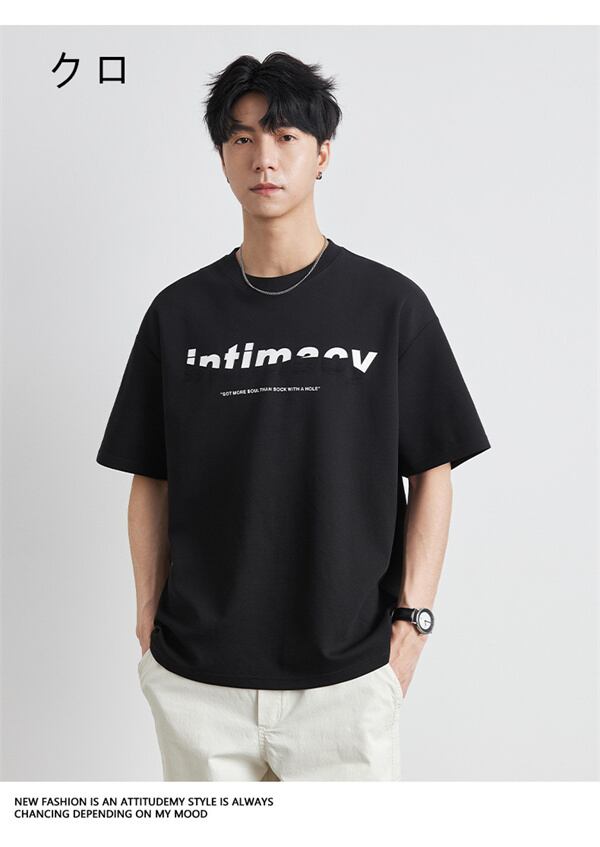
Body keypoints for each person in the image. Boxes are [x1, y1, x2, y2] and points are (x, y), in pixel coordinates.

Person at [96, 51, 491, 782]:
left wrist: (413, 625)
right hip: (197, 681)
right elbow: (149, 475)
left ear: (323, 154)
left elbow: (433, 472)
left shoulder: (389, 306)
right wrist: (147, 617)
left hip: (347, 680)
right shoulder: (179, 314)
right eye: (242, 138)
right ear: (222, 157)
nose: (264, 158)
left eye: (285, 137)